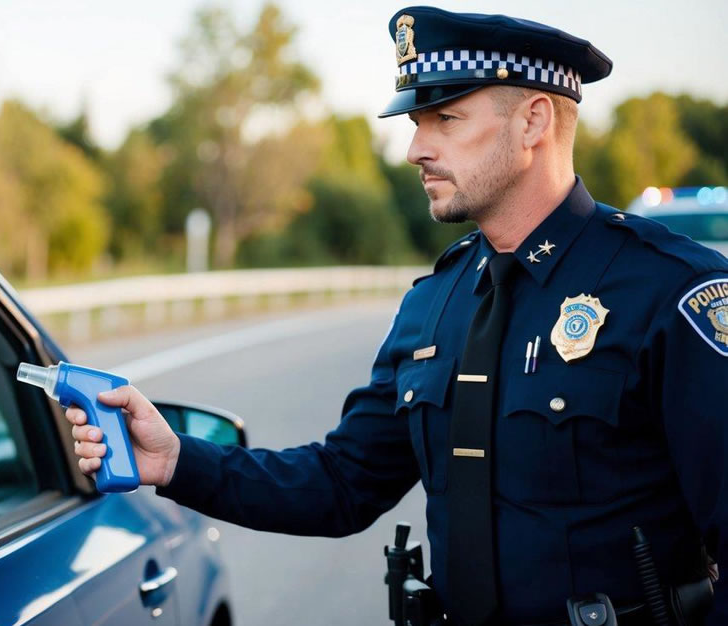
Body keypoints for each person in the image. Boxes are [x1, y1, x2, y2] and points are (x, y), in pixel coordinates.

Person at [68, 7, 728, 625]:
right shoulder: (432, 304)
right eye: (416, 124)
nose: (416, 148)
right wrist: (177, 459)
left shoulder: (668, 293)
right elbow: (340, 483)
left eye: (445, 119)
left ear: (533, 123)